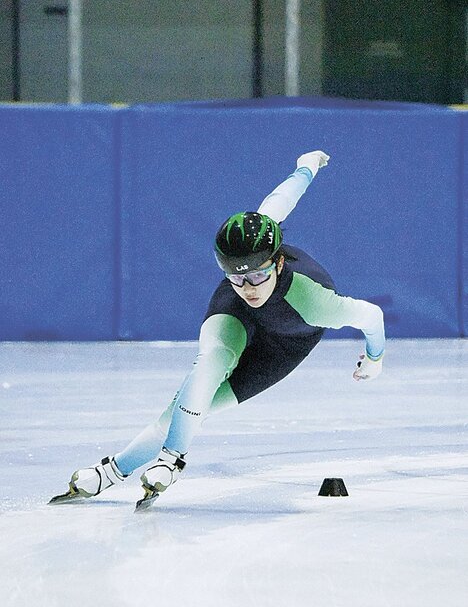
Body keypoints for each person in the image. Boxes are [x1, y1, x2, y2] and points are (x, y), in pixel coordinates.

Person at [50, 151, 385, 510]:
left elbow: (373, 315)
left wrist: (374, 358)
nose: (249, 287)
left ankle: (115, 470)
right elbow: (279, 199)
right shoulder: (241, 287)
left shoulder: (317, 302)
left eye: (257, 275)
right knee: (208, 365)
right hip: (235, 316)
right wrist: (305, 168)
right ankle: (166, 460)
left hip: (286, 343)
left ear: (279, 261)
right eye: (237, 276)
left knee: (199, 405)